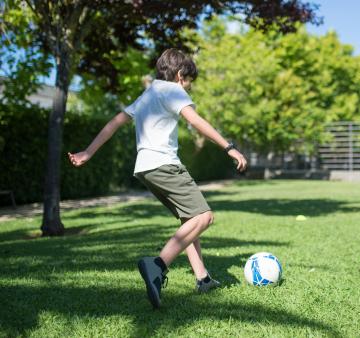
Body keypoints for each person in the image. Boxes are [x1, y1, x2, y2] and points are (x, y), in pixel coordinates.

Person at [68, 48, 247, 308]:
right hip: (165, 164)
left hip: (145, 168)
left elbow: (115, 122)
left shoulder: (149, 92)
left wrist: (88, 152)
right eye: (188, 82)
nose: (188, 88)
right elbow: (195, 121)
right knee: (204, 217)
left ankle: (203, 278)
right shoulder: (173, 89)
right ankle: (157, 266)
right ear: (179, 75)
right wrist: (229, 147)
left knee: (189, 218)